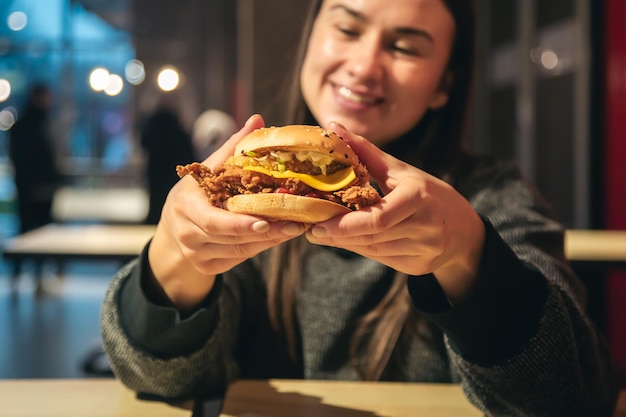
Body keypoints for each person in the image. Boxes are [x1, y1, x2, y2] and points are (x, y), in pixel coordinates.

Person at [101, 0, 621, 415]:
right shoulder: (240, 188)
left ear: (444, 84)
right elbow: (161, 381)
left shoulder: (495, 195)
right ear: (310, 40)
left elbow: (573, 396)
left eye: (405, 47)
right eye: (347, 29)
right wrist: (175, 255)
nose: (365, 65)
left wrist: (468, 255)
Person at [8, 83, 63, 293]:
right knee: (42, 234)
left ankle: (17, 278)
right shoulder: (42, 124)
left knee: (24, 232)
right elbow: (45, 158)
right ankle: (38, 280)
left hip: (25, 186)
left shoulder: (21, 125)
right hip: (41, 187)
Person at [139, 95, 194, 224]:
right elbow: (186, 150)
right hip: (172, 170)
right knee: (171, 194)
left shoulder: (152, 125)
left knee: (155, 196)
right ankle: (171, 218)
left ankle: (154, 218)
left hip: (156, 169)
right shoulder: (176, 128)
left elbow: (144, 143)